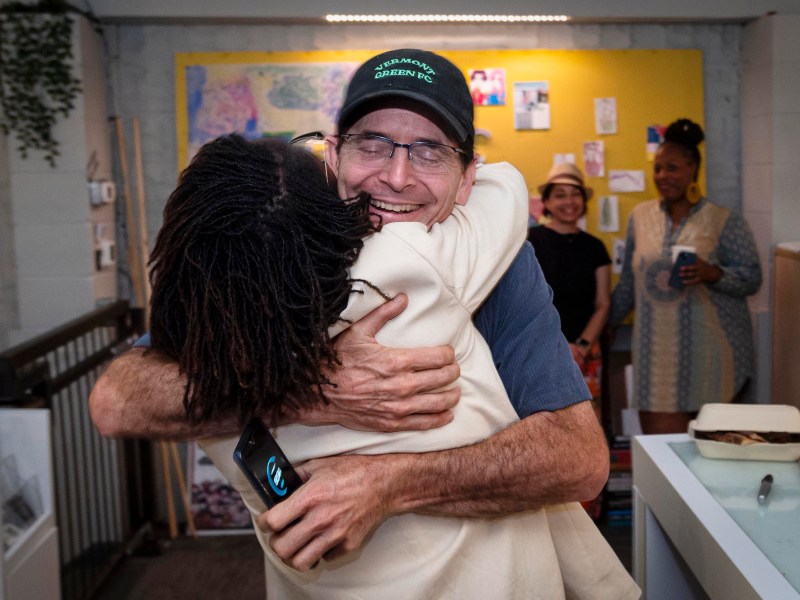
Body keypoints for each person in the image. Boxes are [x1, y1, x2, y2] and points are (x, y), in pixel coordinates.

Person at [89, 48, 610, 583]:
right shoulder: (270, 253)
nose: (397, 176)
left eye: (431, 152)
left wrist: (390, 484)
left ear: (467, 177)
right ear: (333, 155)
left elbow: (578, 457)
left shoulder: (498, 262)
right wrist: (310, 392)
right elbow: (120, 399)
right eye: (374, 144)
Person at [610, 118, 761, 434]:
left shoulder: (723, 220)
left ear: (694, 170)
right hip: (657, 359)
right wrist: (601, 326)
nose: (663, 176)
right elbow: (628, 283)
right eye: (658, 168)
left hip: (715, 356)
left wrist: (712, 273)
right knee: (664, 460)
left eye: (673, 168)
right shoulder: (640, 216)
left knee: (717, 457)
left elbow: (751, 278)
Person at [528, 163, 611, 372]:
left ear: (584, 201)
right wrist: (558, 345)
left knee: (588, 406)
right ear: (546, 201)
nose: (569, 202)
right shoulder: (529, 242)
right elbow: (525, 300)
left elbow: (603, 304)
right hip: (539, 347)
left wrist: (582, 345)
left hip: (586, 351)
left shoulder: (595, 247)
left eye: (576, 194)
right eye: (560, 195)